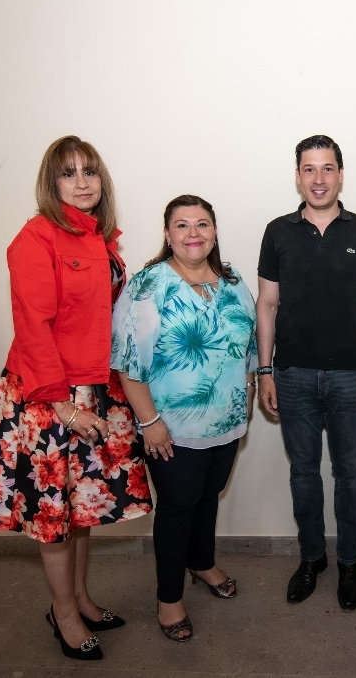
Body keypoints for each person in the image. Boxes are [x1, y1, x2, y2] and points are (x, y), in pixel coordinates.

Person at [0, 136, 152, 661]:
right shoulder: (36, 238)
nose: (81, 182)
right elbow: (33, 327)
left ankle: (82, 599)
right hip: (49, 394)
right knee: (53, 516)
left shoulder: (99, 238)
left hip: (94, 389)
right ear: (51, 184)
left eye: (89, 172)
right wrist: (62, 406)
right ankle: (63, 613)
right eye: (68, 173)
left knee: (81, 506)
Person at [111, 195, 257, 643]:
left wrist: (248, 395)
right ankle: (169, 598)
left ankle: (202, 562)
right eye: (182, 225)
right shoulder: (148, 286)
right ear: (167, 234)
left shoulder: (233, 282)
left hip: (227, 420)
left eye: (202, 224)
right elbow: (127, 363)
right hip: (170, 427)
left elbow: (248, 348)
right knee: (178, 506)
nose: (193, 233)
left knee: (208, 496)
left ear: (214, 231)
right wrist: (149, 421)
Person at [256, 135, 356, 611]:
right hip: (292, 374)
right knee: (304, 474)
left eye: (327, 168)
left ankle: (350, 563)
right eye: (309, 169)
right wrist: (264, 370)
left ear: (340, 175)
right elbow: (267, 305)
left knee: (351, 473)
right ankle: (312, 558)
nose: (318, 178)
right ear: (297, 176)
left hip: (352, 375)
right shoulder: (277, 232)